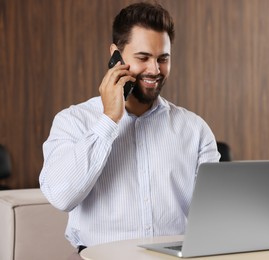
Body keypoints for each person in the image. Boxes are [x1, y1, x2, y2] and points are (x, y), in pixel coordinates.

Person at [39, 2, 220, 257]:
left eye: (163, 59)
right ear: (116, 55)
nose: (155, 70)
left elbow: (213, 216)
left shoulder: (195, 130)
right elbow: (61, 196)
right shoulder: (73, 121)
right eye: (143, 58)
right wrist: (109, 120)